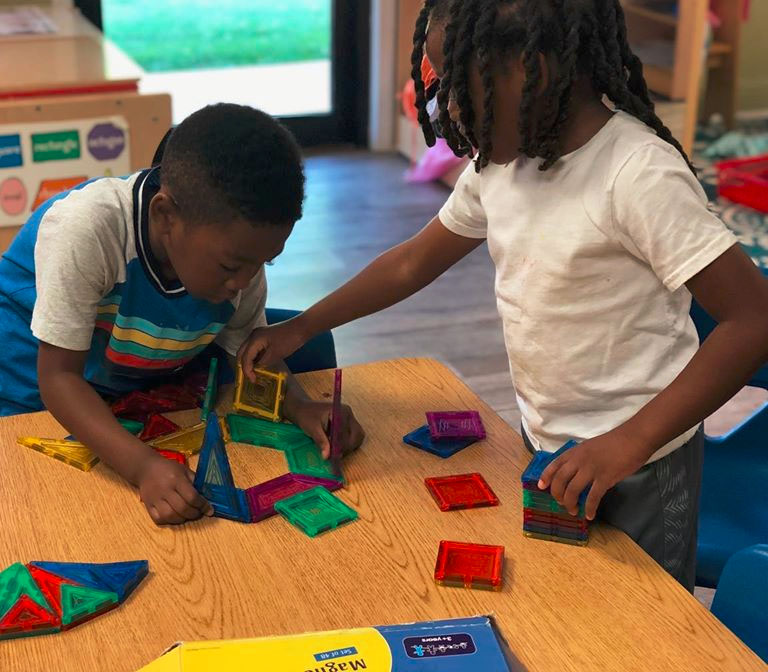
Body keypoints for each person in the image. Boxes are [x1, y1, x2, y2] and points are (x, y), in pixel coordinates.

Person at [236, 1, 768, 590]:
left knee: (648, 614)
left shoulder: (638, 174)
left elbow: (753, 319)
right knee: (573, 596)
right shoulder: (501, 167)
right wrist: (303, 325)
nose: (450, 107)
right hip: (545, 438)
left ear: (535, 70)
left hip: (644, 460)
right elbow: (412, 261)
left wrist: (629, 442)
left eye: (462, 83)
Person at [0, 103, 364, 526]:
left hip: (135, 379)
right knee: (61, 518)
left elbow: (248, 352)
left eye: (266, 262)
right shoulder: (86, 229)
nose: (244, 283)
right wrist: (142, 465)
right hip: (31, 391)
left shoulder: (234, 258)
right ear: (164, 216)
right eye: (232, 267)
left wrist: (301, 406)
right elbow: (58, 380)